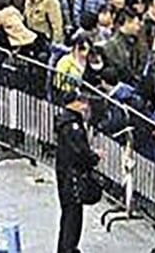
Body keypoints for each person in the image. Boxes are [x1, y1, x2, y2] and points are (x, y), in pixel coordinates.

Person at [54, 93, 101, 253]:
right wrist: (93, 157)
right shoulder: (71, 126)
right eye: (81, 102)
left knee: (69, 215)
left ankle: (65, 248)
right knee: (72, 217)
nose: (85, 106)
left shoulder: (67, 122)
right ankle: (68, 249)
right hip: (72, 177)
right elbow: (79, 152)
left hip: (66, 175)